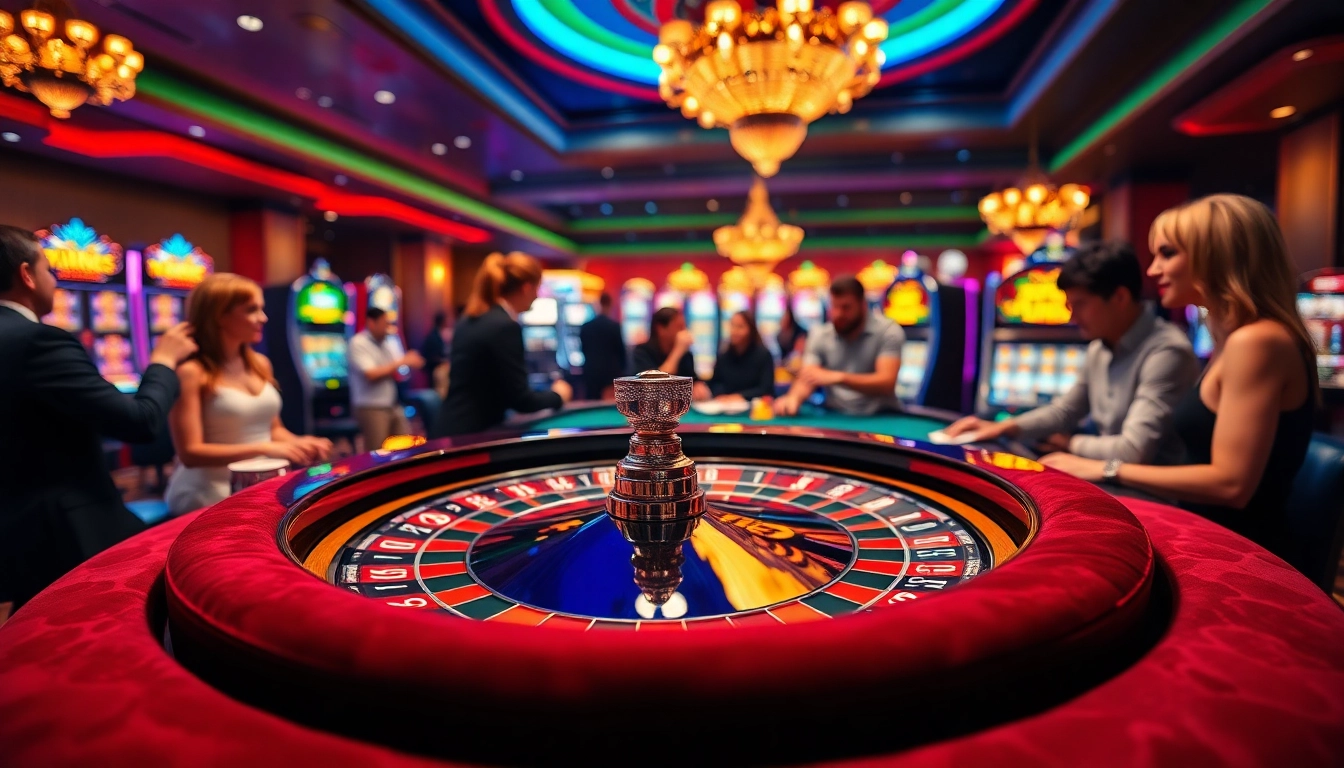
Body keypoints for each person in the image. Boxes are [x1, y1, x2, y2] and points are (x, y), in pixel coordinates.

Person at [1042, 194, 1316, 556]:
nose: (1153, 271)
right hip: (1206, 532)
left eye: (1167, 254)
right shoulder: (1235, 338)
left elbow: (1231, 485)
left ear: (1216, 256)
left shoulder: (1258, 340)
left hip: (1240, 555)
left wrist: (1102, 468)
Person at [0, 225, 196, 610]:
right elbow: (140, 422)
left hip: (14, 527)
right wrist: (164, 360)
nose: (53, 282)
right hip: (64, 533)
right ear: (26, 274)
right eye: (47, 270)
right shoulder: (39, 340)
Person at [944, 241, 1198, 464]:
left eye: (1080, 305)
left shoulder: (1166, 351)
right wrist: (1003, 427)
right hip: (1108, 475)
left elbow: (1134, 450)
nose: (1072, 317)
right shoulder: (1101, 345)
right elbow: (1065, 410)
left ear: (1120, 297)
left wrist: (1070, 444)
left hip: (1154, 497)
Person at [165, 273, 332, 515]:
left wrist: (300, 443)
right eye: (251, 310)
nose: (262, 318)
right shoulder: (191, 372)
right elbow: (190, 453)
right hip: (206, 491)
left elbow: (273, 430)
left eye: (262, 309)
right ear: (220, 315)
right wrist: (264, 447)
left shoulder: (260, 364)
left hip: (256, 484)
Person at [432, 252, 573, 437]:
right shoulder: (505, 326)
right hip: (472, 435)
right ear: (527, 287)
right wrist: (558, 395)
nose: (537, 296)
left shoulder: (470, 318)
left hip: (451, 427)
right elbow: (520, 400)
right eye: (537, 289)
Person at [774, 276, 903, 416]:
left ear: (863, 305)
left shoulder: (888, 331)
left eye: (846, 307)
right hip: (835, 415)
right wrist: (794, 398)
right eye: (834, 306)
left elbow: (886, 383)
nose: (838, 314)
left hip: (881, 416)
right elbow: (809, 376)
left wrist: (839, 377)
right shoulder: (820, 334)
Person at [350, 306, 423, 451]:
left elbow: (397, 369)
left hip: (392, 404)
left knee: (406, 448)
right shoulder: (358, 343)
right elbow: (371, 374)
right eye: (384, 323)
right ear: (371, 323)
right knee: (377, 453)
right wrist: (402, 362)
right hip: (370, 406)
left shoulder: (387, 343)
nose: (387, 328)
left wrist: (408, 362)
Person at [631, 306, 712, 401]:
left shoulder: (686, 355)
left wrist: (698, 386)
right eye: (679, 327)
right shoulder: (642, 351)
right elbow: (653, 386)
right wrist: (677, 351)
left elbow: (693, 381)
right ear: (661, 329)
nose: (684, 332)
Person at [709, 311, 775, 402]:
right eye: (732, 325)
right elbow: (715, 384)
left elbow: (766, 389)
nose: (734, 331)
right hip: (724, 407)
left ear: (751, 330)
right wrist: (720, 395)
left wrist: (740, 396)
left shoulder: (764, 355)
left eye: (740, 327)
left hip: (754, 410)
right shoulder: (723, 356)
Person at [579, 292, 627, 400]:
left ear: (598, 304)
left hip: (591, 373)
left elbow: (583, 350)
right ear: (610, 305)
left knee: (591, 407)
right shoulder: (614, 326)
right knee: (610, 408)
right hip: (611, 375)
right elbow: (621, 352)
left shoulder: (585, 327)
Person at [419, 311, 451, 400]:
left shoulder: (441, 333)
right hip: (436, 370)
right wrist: (444, 361)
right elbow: (430, 356)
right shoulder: (433, 336)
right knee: (441, 395)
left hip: (440, 369)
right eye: (446, 320)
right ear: (442, 321)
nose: (448, 322)